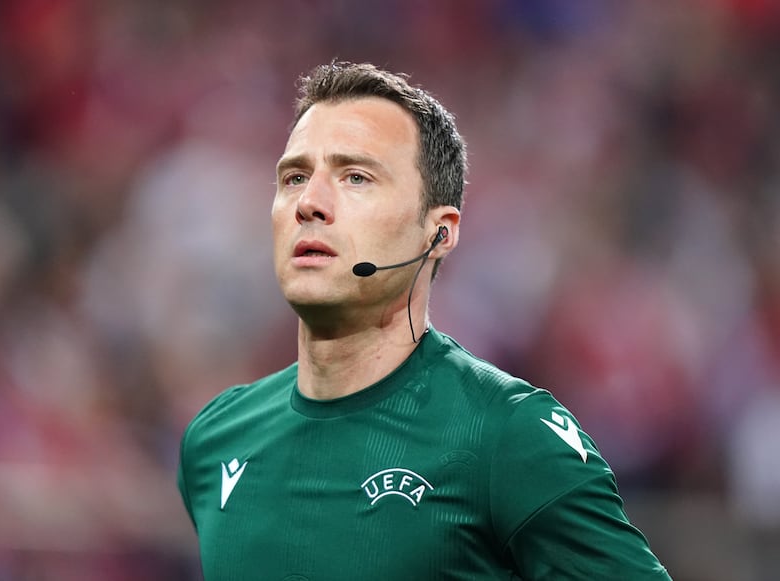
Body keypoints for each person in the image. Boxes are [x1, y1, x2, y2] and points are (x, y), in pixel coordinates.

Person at [177, 61, 672, 580]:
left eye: (356, 177)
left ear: (437, 234)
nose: (310, 203)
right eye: (295, 177)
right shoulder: (216, 440)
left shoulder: (506, 434)